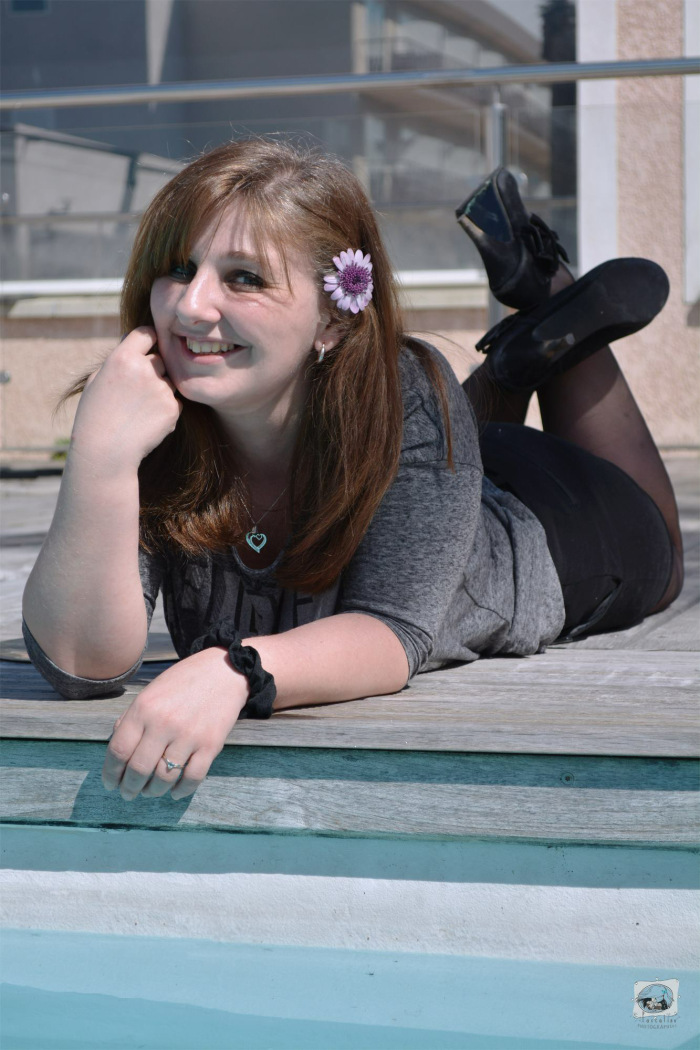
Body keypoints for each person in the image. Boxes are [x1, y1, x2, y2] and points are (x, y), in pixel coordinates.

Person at [22, 143, 683, 803]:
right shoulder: (147, 417)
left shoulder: (403, 393)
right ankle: (515, 362)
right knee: (435, 428)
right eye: (178, 269)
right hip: (447, 464)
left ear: (335, 316)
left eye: (244, 277)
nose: (191, 307)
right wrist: (101, 458)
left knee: (665, 558)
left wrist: (234, 670)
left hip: (553, 524)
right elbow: (83, 665)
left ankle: (549, 299)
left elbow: (392, 633)